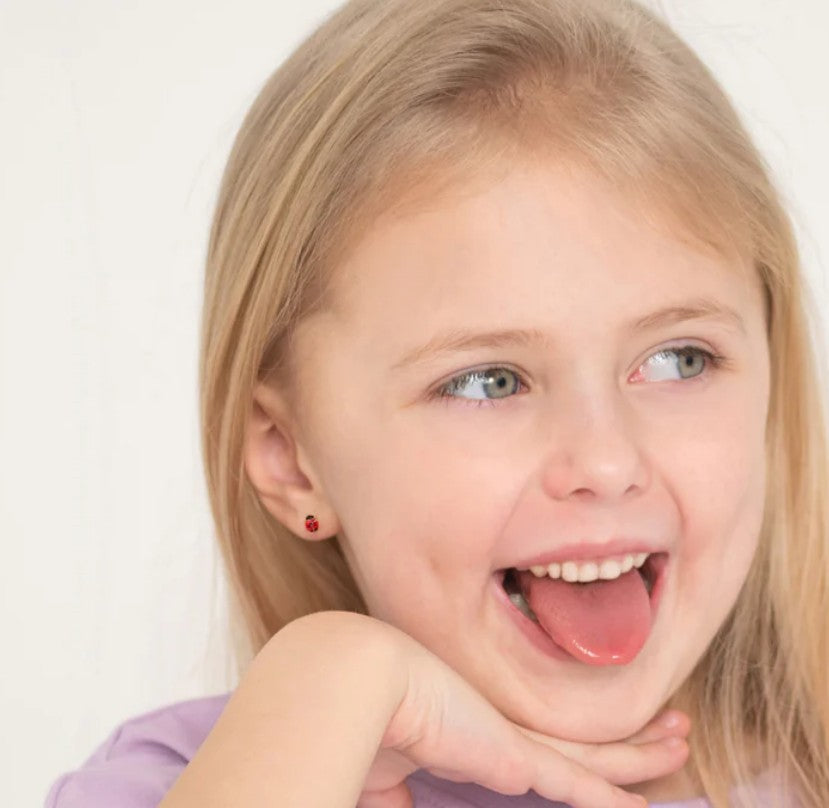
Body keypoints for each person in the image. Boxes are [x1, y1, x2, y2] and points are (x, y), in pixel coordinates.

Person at [44, 0, 829, 805]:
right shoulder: (180, 782)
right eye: (487, 381)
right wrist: (329, 681)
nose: (604, 461)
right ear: (289, 455)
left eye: (677, 359)